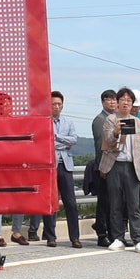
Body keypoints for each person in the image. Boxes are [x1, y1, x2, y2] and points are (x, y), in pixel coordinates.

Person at [99, 87, 140, 253]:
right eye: (123, 100)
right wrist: (116, 131)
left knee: (134, 205)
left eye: (129, 101)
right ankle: (118, 237)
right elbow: (107, 140)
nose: (126, 103)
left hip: (132, 165)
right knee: (115, 204)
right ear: (118, 102)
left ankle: (138, 239)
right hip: (115, 165)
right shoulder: (111, 120)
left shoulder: (138, 122)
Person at [45, 91, 82, 248]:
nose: (57, 106)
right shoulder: (44, 122)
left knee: (70, 203)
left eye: (59, 104)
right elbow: (45, 142)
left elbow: (74, 139)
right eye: (54, 104)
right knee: (51, 202)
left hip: (65, 165)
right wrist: (63, 143)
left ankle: (74, 237)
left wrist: (58, 138)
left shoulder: (68, 122)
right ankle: (50, 237)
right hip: (50, 165)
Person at [90, 89, 117, 247]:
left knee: (113, 202)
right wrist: (103, 167)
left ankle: (113, 233)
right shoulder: (100, 120)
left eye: (114, 99)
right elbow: (102, 145)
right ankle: (102, 233)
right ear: (103, 102)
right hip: (104, 167)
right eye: (109, 100)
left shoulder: (117, 119)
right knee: (104, 202)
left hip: (116, 167)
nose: (112, 102)